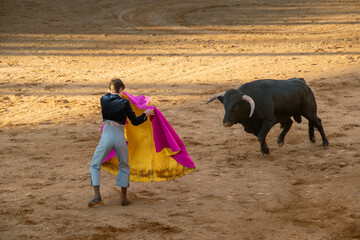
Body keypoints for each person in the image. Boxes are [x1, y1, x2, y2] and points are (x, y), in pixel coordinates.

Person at [89, 78, 155, 207]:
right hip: (119, 138)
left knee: (94, 165)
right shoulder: (124, 103)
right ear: (121, 90)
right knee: (124, 166)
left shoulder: (103, 99)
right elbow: (135, 121)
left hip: (106, 138)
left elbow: (110, 94)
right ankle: (124, 198)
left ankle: (97, 195)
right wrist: (145, 114)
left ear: (109, 90)